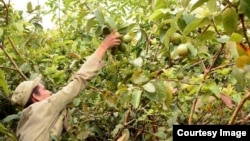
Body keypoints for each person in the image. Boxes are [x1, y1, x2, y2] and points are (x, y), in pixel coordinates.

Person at [11, 30, 122, 141]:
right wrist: (104, 46)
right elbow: (79, 81)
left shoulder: (25, 123)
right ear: (36, 96)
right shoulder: (44, 107)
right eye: (44, 90)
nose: (50, 92)